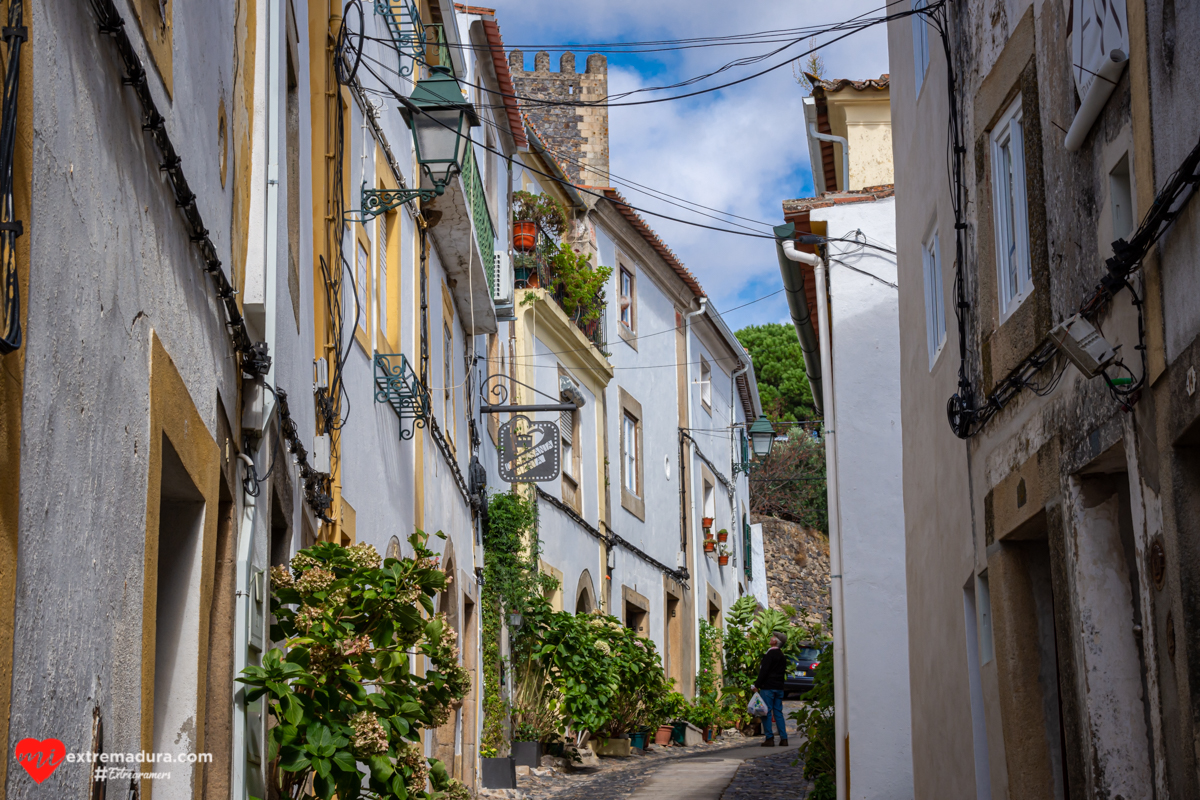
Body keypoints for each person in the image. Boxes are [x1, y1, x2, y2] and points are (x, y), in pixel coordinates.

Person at [751, 631, 788, 746]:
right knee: (778, 712)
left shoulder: (769, 655)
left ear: (775, 641)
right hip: (779, 687)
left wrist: (757, 685)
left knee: (765, 712)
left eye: (773, 637)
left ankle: (769, 738)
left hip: (768, 687)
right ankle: (784, 738)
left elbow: (764, 671)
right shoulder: (782, 656)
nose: (771, 638)